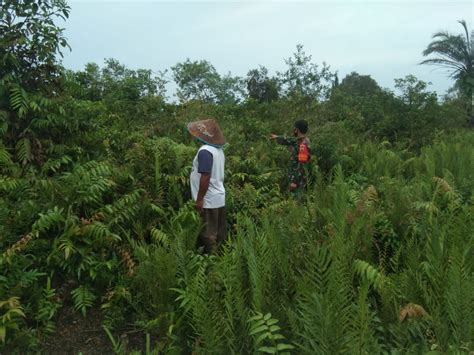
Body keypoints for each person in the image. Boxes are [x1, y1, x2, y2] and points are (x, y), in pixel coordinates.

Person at [187, 118, 227, 254]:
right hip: (219, 196)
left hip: (209, 199)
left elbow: (205, 176)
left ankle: (212, 264)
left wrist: (199, 199)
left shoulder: (205, 151)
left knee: (208, 234)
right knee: (219, 233)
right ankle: (222, 259)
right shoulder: (218, 151)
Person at [270, 119, 311, 196]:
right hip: (297, 180)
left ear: (297, 129)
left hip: (298, 182)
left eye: (294, 128)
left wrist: (294, 182)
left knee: (298, 203)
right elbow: (289, 140)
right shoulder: (299, 141)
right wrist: (277, 137)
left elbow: (302, 164)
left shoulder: (303, 145)